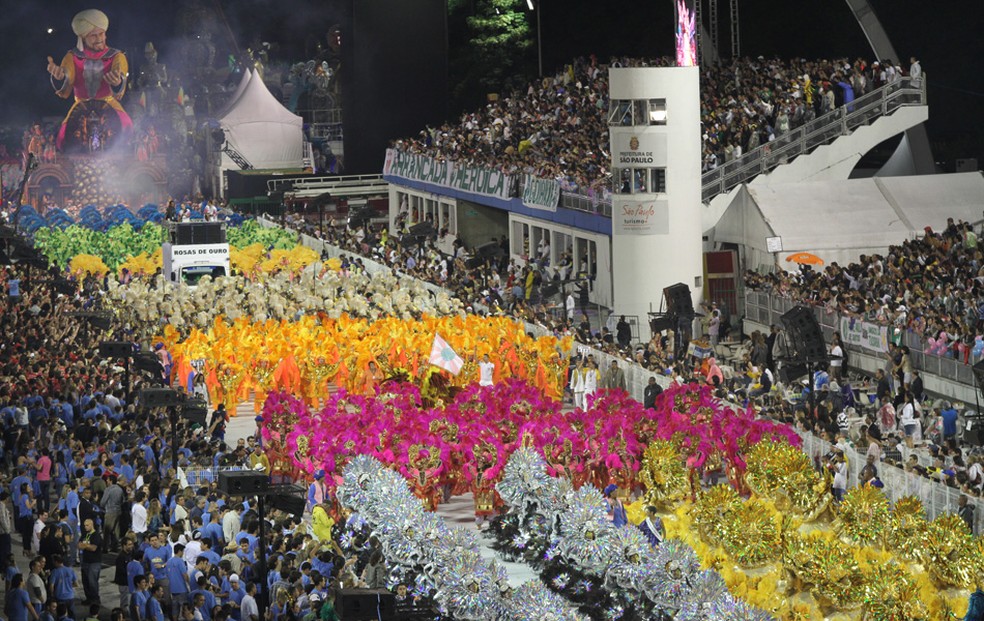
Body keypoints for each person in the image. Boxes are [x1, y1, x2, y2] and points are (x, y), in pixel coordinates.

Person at [46, 9, 132, 149]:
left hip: (109, 103)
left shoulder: (116, 56)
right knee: (62, 138)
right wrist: (59, 77)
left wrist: (117, 82)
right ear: (82, 37)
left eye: (102, 33)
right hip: (81, 104)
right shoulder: (72, 56)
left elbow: (120, 74)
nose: (99, 39)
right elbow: (66, 77)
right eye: (93, 35)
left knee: (127, 127)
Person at [78, 518, 102, 606]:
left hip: (94, 562)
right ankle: (89, 598)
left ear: (92, 525)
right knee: (85, 581)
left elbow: (93, 548)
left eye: (87, 525)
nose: (85, 527)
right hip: (85, 561)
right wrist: (86, 546)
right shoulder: (84, 534)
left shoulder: (96, 535)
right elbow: (79, 545)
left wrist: (84, 546)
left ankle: (95, 599)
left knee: (92, 582)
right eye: (84, 525)